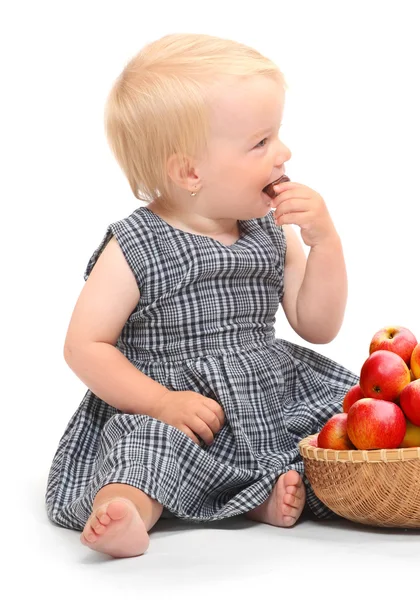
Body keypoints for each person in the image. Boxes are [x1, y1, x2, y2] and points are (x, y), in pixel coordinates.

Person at [45, 32, 359, 559]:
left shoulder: (268, 228)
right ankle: (124, 510)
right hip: (175, 409)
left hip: (265, 394)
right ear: (191, 171)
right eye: (261, 142)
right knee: (145, 451)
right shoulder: (137, 244)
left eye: (277, 135)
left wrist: (324, 242)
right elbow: (84, 346)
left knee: (341, 421)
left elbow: (317, 324)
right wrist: (160, 402)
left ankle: (252, 498)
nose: (284, 153)